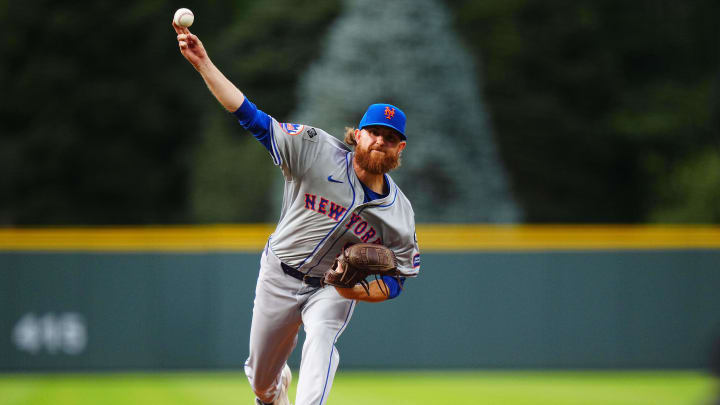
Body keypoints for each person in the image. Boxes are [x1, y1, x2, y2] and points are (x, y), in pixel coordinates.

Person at [172, 22, 420, 405]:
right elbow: (251, 117)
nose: (380, 142)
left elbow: (399, 279)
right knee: (260, 382)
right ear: (358, 134)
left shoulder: (399, 213)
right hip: (279, 273)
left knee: (322, 335)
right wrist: (204, 63)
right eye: (374, 133)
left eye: (390, 138)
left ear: (399, 149)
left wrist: (354, 289)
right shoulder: (314, 148)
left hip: (331, 286)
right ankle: (274, 392)